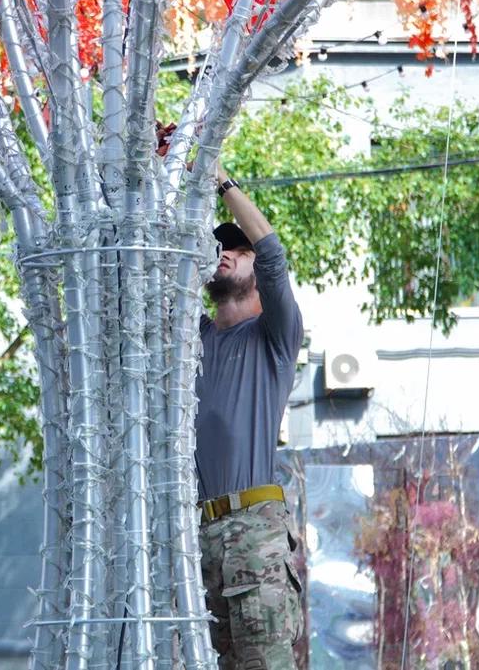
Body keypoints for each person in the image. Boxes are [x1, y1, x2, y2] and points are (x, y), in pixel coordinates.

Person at [195, 167, 304, 670]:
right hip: (198, 535)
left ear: (255, 268)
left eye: (237, 248)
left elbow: (275, 255)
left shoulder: (274, 336)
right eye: (218, 247)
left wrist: (221, 182)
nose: (225, 252)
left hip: (254, 531)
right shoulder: (192, 339)